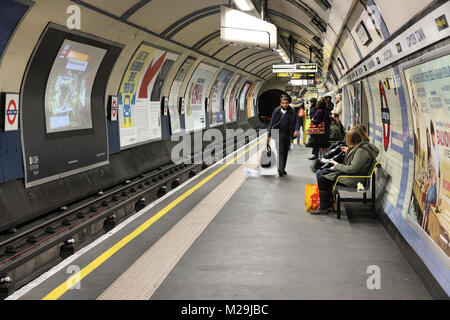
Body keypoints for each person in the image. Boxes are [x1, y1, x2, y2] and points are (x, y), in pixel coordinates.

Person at [310, 127, 379, 215]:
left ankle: (324, 207)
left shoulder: (361, 151)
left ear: (354, 139)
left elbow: (353, 169)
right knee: (322, 173)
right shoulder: (361, 148)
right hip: (353, 176)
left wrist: (337, 166)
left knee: (322, 178)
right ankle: (328, 204)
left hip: (355, 180)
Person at [267, 95, 300, 177]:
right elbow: (272, 123)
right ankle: (280, 169)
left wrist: (296, 130)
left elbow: (297, 121)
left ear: (288, 103)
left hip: (288, 134)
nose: (285, 105)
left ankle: (283, 168)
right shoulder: (276, 111)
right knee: (280, 151)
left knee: (285, 152)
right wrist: (269, 135)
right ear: (280, 103)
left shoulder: (292, 111)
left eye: (286, 103)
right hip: (278, 134)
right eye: (283, 103)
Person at [423, 121, 440, 230]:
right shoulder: (434, 152)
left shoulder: (435, 152)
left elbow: (435, 174)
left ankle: (423, 226)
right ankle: (423, 226)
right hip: (433, 189)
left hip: (434, 190)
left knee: (427, 202)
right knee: (427, 201)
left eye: (431, 137)